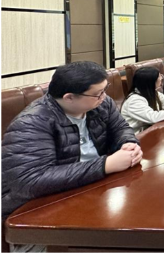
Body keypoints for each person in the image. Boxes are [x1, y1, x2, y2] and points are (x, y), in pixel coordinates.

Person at [1, 62, 142, 240]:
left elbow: (120, 127)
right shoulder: (32, 123)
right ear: (69, 97)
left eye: (105, 90)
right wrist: (105, 165)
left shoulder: (100, 104)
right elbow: (31, 180)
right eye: (98, 93)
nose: (104, 97)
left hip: (90, 189)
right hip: (36, 208)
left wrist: (128, 143)